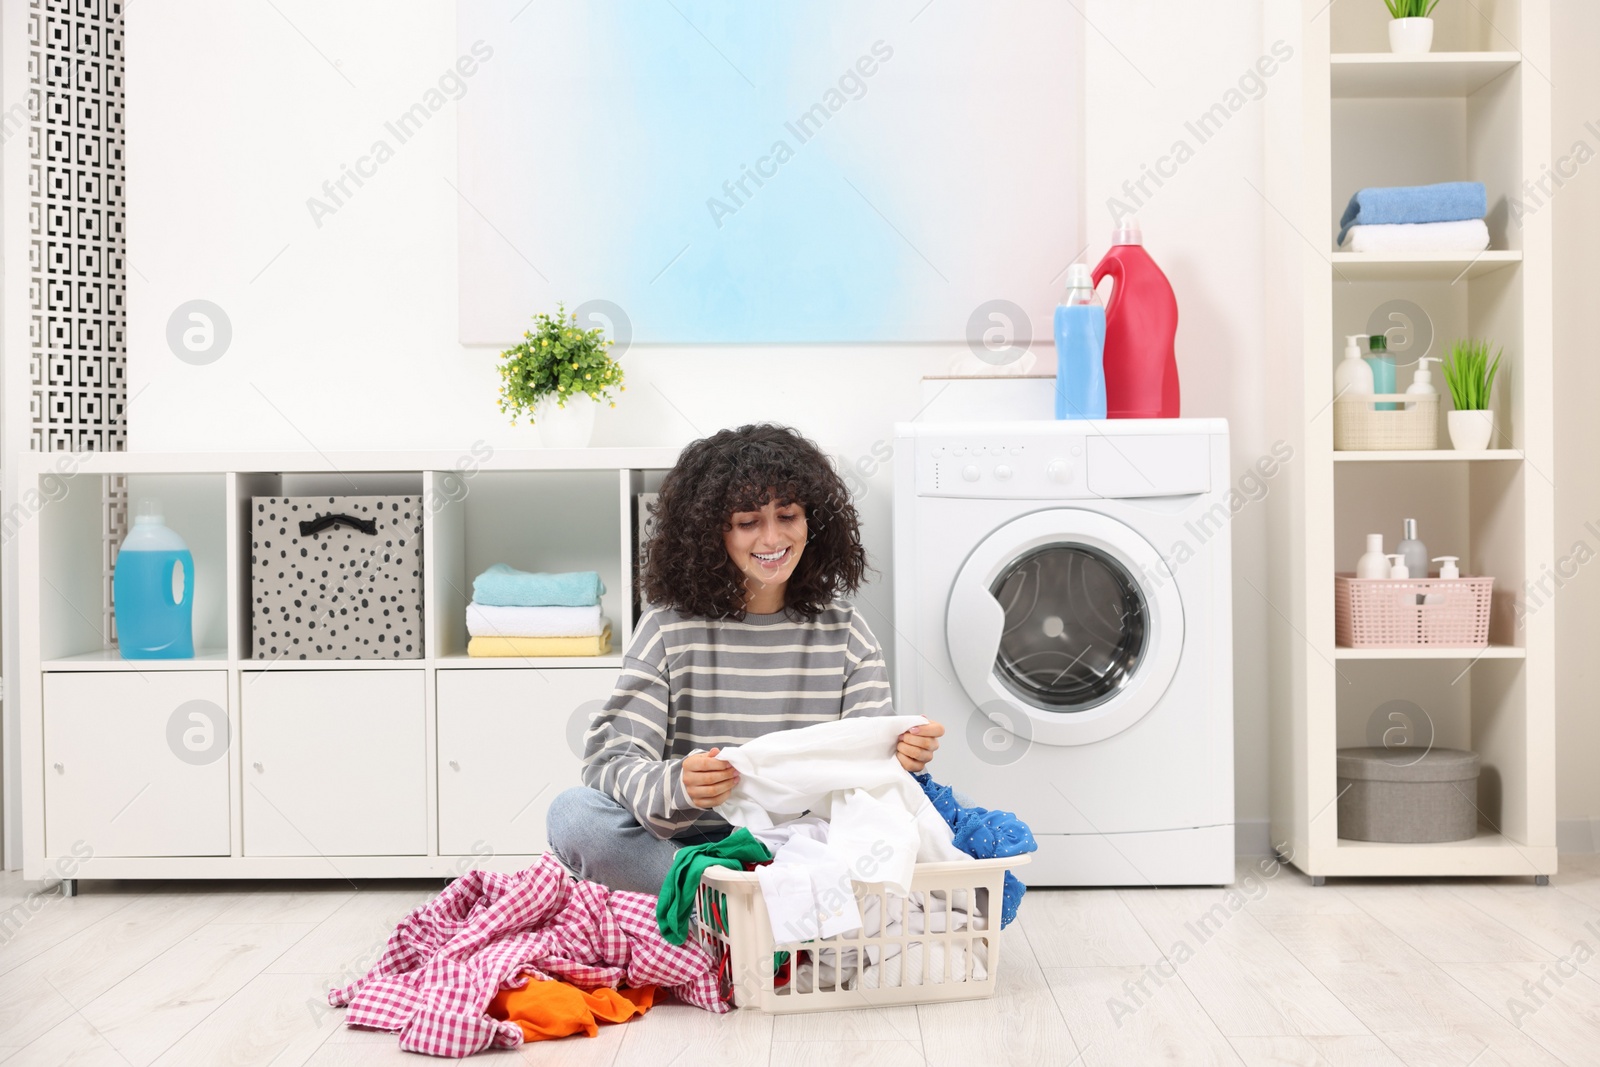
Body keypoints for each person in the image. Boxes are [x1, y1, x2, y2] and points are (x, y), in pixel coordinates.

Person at [546, 423, 943, 893]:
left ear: (812, 520)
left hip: (806, 844)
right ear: (713, 533)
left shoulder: (846, 631)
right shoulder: (666, 628)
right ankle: (736, 903)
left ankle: (737, 908)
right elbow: (610, 763)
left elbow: (866, 771)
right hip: (691, 853)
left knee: (927, 813)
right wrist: (680, 784)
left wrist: (900, 753)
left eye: (787, 515)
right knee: (574, 815)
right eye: (748, 522)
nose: (772, 538)